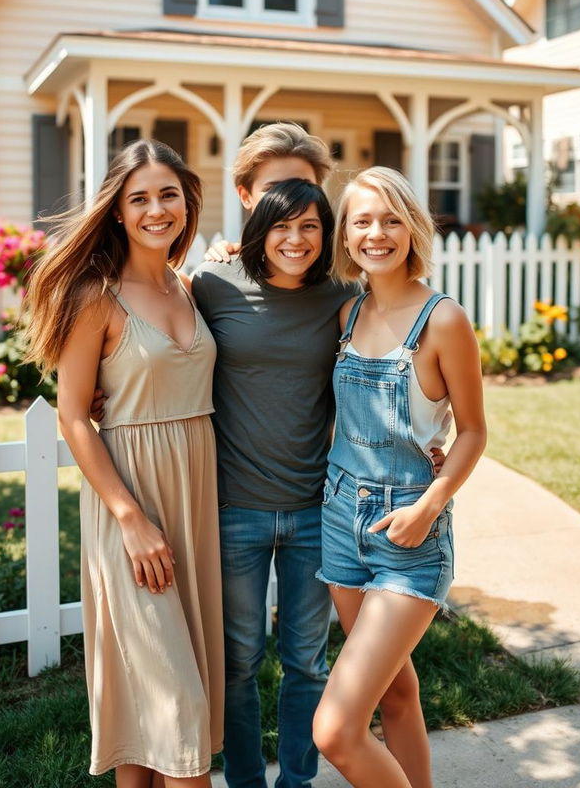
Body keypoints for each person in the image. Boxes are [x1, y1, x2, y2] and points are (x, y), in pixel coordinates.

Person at [192, 123, 445, 788]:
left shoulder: (342, 297)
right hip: (234, 509)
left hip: (318, 513)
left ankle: (295, 782)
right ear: (249, 198)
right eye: (276, 196)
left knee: (307, 664)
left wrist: (431, 434)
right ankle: (246, 780)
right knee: (240, 662)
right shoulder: (209, 286)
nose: (293, 221)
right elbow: (157, 352)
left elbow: (395, 365)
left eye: (307, 205)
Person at [23, 139, 224, 788]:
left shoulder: (193, 289)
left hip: (193, 504)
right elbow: (74, 415)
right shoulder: (96, 297)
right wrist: (129, 518)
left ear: (187, 201)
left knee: (149, 715)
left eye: (168, 194)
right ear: (116, 211)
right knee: (179, 710)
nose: (156, 209)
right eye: (139, 198)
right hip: (130, 509)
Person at [312, 167, 487, 788]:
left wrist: (428, 506)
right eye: (362, 220)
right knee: (396, 693)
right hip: (339, 521)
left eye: (390, 219)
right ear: (346, 234)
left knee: (333, 731)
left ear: (412, 228)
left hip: (407, 533)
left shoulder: (443, 321)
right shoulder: (347, 315)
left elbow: (471, 431)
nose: (376, 234)